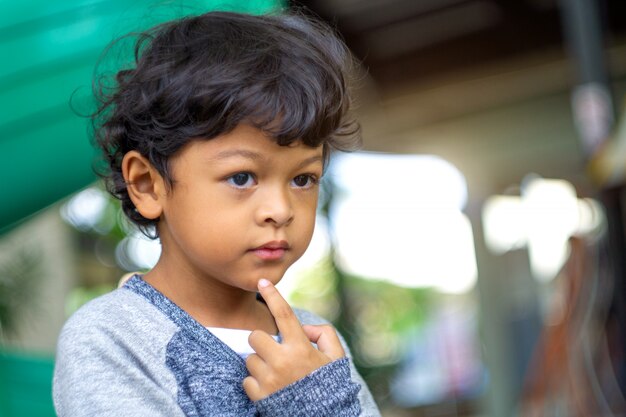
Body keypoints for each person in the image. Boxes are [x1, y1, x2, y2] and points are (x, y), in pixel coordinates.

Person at [52, 9, 381, 417]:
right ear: (147, 185)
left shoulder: (315, 342)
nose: (280, 210)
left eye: (303, 179)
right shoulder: (112, 339)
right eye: (242, 177)